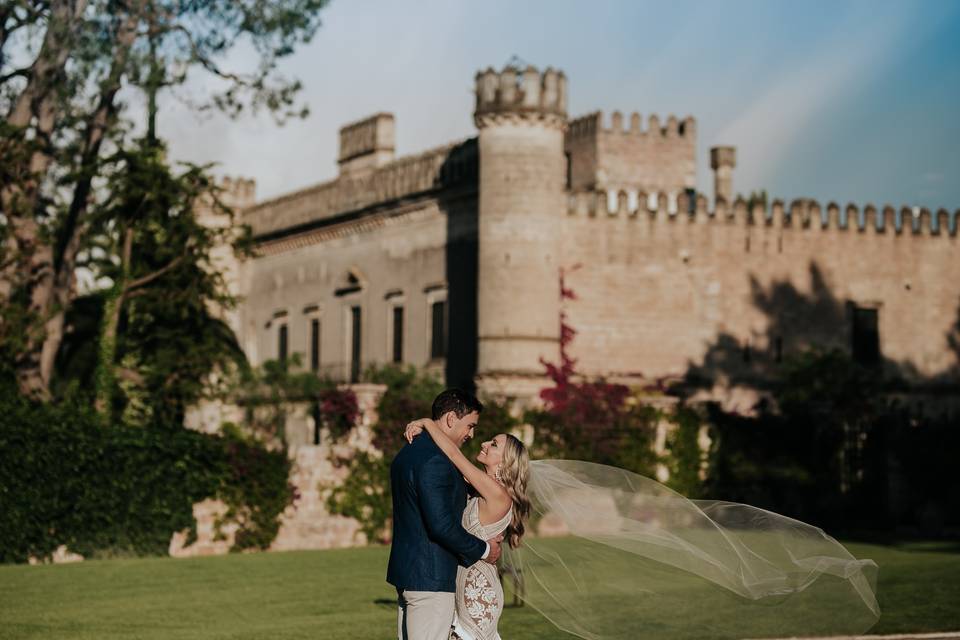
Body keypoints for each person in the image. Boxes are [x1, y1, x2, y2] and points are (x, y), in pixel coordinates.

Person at [386, 389, 505, 640]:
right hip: (432, 579)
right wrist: (486, 549)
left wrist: (427, 425)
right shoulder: (436, 460)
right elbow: (441, 526)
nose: (471, 434)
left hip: (410, 574)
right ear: (451, 419)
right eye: (470, 425)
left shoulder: (407, 452)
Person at [402, 417, 531, 640]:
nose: (484, 443)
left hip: (478, 591)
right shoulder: (480, 488)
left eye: (493, 445)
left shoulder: (497, 494)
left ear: (505, 462)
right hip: (462, 587)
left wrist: (427, 422)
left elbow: (453, 454)